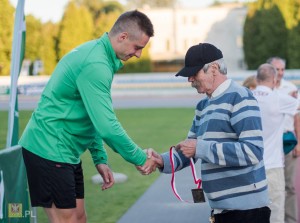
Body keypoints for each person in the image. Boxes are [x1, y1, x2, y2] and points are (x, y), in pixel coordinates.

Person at [19, 10, 156, 223]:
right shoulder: (96, 64)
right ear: (122, 37)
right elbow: (107, 127)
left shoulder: (102, 58)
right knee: (68, 220)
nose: (138, 54)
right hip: (47, 149)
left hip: (65, 152)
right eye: (137, 47)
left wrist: (99, 158)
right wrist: (140, 158)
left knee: (80, 217)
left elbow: (89, 114)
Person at [139, 43, 271, 223]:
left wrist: (200, 147)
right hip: (220, 209)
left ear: (214, 68)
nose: (190, 79)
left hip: (247, 209)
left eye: (195, 73)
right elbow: (191, 150)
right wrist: (161, 160)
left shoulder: (241, 97)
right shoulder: (203, 106)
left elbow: (252, 151)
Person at [252, 63, 298, 223]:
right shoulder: (279, 98)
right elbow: (296, 109)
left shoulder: (246, 97)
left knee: (252, 214)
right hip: (272, 166)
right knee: (276, 214)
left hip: (250, 167)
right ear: (274, 79)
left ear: (257, 79)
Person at [267, 57, 300, 223]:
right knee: (271, 185)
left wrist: (299, 143)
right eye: (276, 69)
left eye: (282, 69)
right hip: (269, 143)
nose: (279, 73)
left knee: (290, 187)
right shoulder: (266, 89)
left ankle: (291, 220)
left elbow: (297, 117)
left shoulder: (291, 88)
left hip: (287, 141)